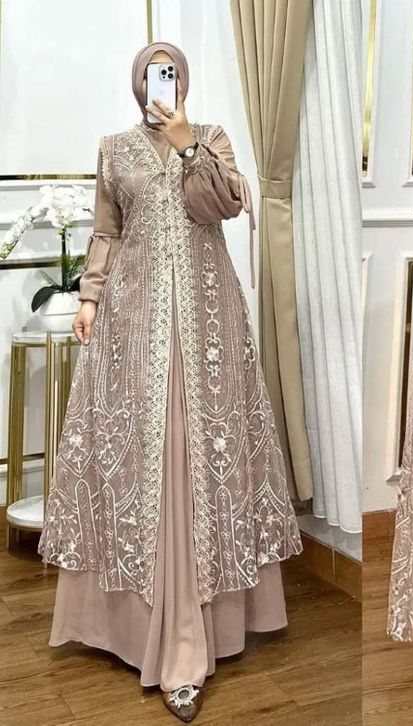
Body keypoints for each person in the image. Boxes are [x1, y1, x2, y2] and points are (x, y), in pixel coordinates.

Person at [38, 41, 302, 723]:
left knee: (200, 458)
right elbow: (107, 231)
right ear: (139, 84)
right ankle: (137, 626)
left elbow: (222, 207)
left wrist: (188, 145)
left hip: (207, 328)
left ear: (184, 81)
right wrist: (90, 299)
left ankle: (194, 635)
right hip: (135, 326)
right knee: (141, 462)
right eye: (155, 75)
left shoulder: (212, 138)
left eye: (173, 73)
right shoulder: (114, 149)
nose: (164, 82)